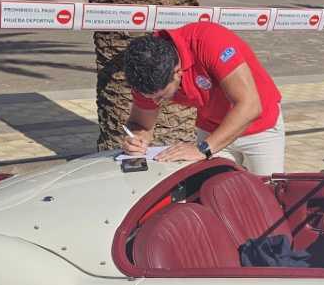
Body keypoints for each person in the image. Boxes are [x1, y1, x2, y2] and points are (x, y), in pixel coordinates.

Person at [121, 22, 284, 172]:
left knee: (266, 194)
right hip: (212, 129)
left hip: (260, 127)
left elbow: (250, 106)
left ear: (178, 72)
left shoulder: (210, 42)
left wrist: (202, 149)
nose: (155, 102)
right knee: (211, 195)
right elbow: (141, 125)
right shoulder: (144, 72)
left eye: (162, 96)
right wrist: (137, 140)